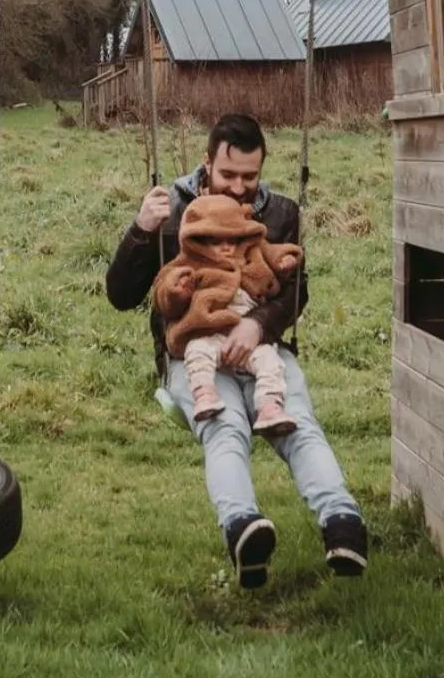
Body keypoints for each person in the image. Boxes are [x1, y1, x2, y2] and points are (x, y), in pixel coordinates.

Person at [107, 113, 369, 589]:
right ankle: (243, 530)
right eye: (228, 175)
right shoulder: (172, 210)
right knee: (224, 426)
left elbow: (295, 292)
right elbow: (121, 295)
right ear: (206, 164)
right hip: (194, 354)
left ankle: (343, 523)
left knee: (297, 422)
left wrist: (259, 324)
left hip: (261, 348)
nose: (238, 188)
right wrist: (141, 229)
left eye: (250, 177)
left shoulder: (280, 213)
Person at [152, 193, 302, 437]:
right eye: (215, 241)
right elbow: (162, 292)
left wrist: (284, 261)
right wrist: (176, 290)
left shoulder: (252, 252)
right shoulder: (189, 262)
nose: (226, 247)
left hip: (247, 337)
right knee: (196, 352)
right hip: (209, 331)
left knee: (271, 362)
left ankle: (270, 407)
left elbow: (274, 254)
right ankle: (204, 395)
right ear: (198, 240)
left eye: (231, 239)